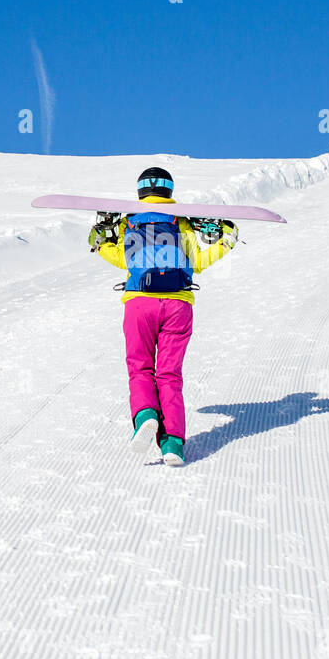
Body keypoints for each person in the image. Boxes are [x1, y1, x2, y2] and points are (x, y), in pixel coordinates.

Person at [90, 167, 238, 465]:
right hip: (178, 306)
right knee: (169, 374)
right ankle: (172, 445)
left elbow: (122, 258)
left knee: (140, 367)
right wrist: (226, 240)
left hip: (139, 304)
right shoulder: (181, 222)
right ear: (170, 191)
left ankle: (146, 414)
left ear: (140, 191)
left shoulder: (129, 222)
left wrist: (101, 240)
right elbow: (196, 261)